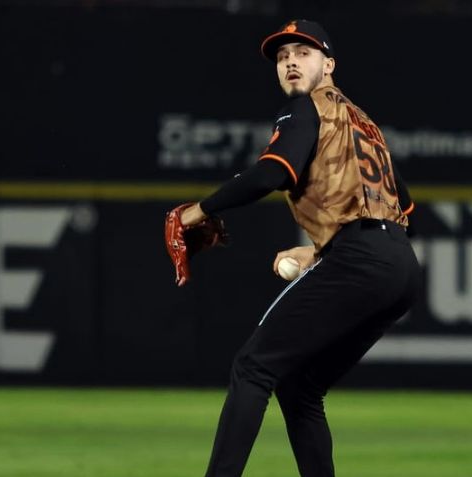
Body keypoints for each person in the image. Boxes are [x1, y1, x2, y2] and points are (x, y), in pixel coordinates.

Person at [175, 19, 420, 477]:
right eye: (283, 56)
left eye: (303, 53)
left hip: (361, 259)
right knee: (301, 387)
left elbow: (273, 173)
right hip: (399, 267)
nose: (290, 61)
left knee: (253, 368)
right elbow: (404, 207)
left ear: (329, 65)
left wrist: (197, 212)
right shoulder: (363, 123)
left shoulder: (306, 109)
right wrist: (327, 248)